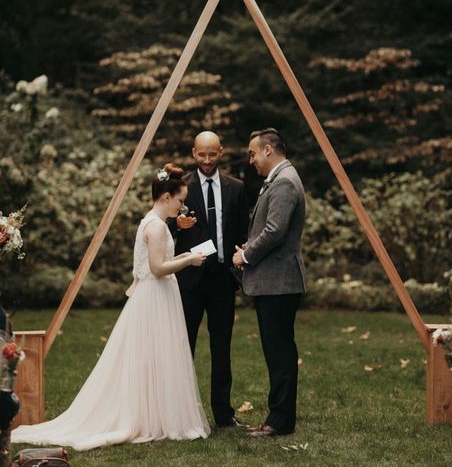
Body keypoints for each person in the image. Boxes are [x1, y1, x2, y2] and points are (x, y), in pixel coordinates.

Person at [12, 164, 210, 451]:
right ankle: (148, 415)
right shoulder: (155, 226)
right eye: (180, 200)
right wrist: (189, 259)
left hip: (157, 295)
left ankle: (156, 413)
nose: (183, 206)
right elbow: (157, 268)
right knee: (152, 353)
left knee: (157, 354)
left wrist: (182, 256)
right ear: (166, 197)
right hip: (155, 295)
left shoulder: (153, 222)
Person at [170, 131, 249, 427]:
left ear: (221, 152)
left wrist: (240, 262)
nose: (206, 160)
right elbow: (161, 226)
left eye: (212, 154)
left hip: (222, 281)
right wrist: (176, 224)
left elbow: (243, 230)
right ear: (193, 153)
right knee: (184, 345)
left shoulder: (236, 188)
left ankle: (223, 413)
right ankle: (181, 412)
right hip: (189, 280)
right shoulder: (180, 187)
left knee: (222, 347)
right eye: (201, 155)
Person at [233, 128, 306, 438]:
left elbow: (275, 231)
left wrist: (245, 255)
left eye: (252, 153)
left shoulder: (285, 182)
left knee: (279, 353)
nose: (250, 160)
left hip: (279, 282)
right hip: (277, 281)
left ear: (267, 150)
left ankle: (279, 420)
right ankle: (280, 416)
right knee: (278, 350)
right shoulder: (282, 178)